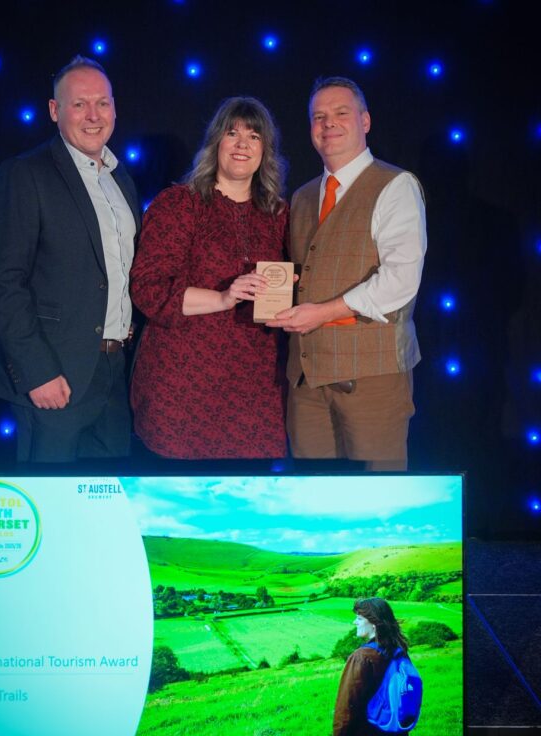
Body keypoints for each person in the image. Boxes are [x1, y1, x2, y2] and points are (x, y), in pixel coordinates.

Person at [0, 55, 140, 461]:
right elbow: (5, 283)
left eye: (102, 103)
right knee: (51, 508)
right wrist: (38, 372)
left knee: (105, 506)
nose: (93, 115)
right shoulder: (25, 174)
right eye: (79, 104)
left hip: (111, 372)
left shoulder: (122, 180)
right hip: (55, 377)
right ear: (55, 111)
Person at [266, 77, 426, 471]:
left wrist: (320, 312)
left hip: (372, 378)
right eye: (318, 117)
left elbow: (400, 281)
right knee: (317, 504)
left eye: (341, 113)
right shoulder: (303, 197)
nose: (328, 124)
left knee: (378, 502)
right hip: (306, 381)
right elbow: (307, 274)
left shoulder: (395, 185)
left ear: (365, 121)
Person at [129, 97, 288, 459]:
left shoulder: (279, 214)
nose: (242, 144)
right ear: (216, 143)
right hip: (182, 389)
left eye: (254, 136)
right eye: (232, 133)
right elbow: (148, 288)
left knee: (249, 506)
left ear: (266, 150)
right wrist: (222, 298)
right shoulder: (179, 204)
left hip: (254, 392)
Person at [331, 598, 411, 736]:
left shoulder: (361, 657)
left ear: (374, 623)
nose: (355, 622)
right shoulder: (399, 652)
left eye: (359, 618)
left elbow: (346, 707)